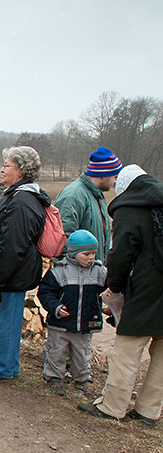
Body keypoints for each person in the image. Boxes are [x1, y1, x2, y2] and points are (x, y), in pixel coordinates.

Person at [79, 165, 163, 427]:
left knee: (127, 348)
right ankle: (149, 410)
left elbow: (121, 253)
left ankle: (113, 405)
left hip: (149, 286)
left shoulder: (131, 208)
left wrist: (114, 286)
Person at [0, 146, 51, 382]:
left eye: (6, 165)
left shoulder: (22, 202)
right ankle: (9, 365)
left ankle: (2, 369)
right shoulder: (20, 196)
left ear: (21, 170)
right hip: (14, 273)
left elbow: (12, 245)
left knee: (5, 322)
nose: (1, 169)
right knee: (6, 319)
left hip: (11, 274)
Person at [37, 230, 107, 396]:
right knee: (56, 351)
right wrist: (55, 307)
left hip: (85, 324)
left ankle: (81, 381)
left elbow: (111, 290)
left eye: (93, 253)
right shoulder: (59, 272)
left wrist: (108, 303)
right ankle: (54, 379)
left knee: (82, 354)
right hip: (60, 323)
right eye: (86, 254)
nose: (91, 257)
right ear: (73, 253)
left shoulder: (100, 272)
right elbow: (45, 293)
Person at [54, 146, 121, 263]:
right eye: (114, 176)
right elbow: (63, 241)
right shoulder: (73, 196)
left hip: (94, 275)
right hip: (78, 278)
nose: (115, 181)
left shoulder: (97, 195)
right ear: (104, 175)